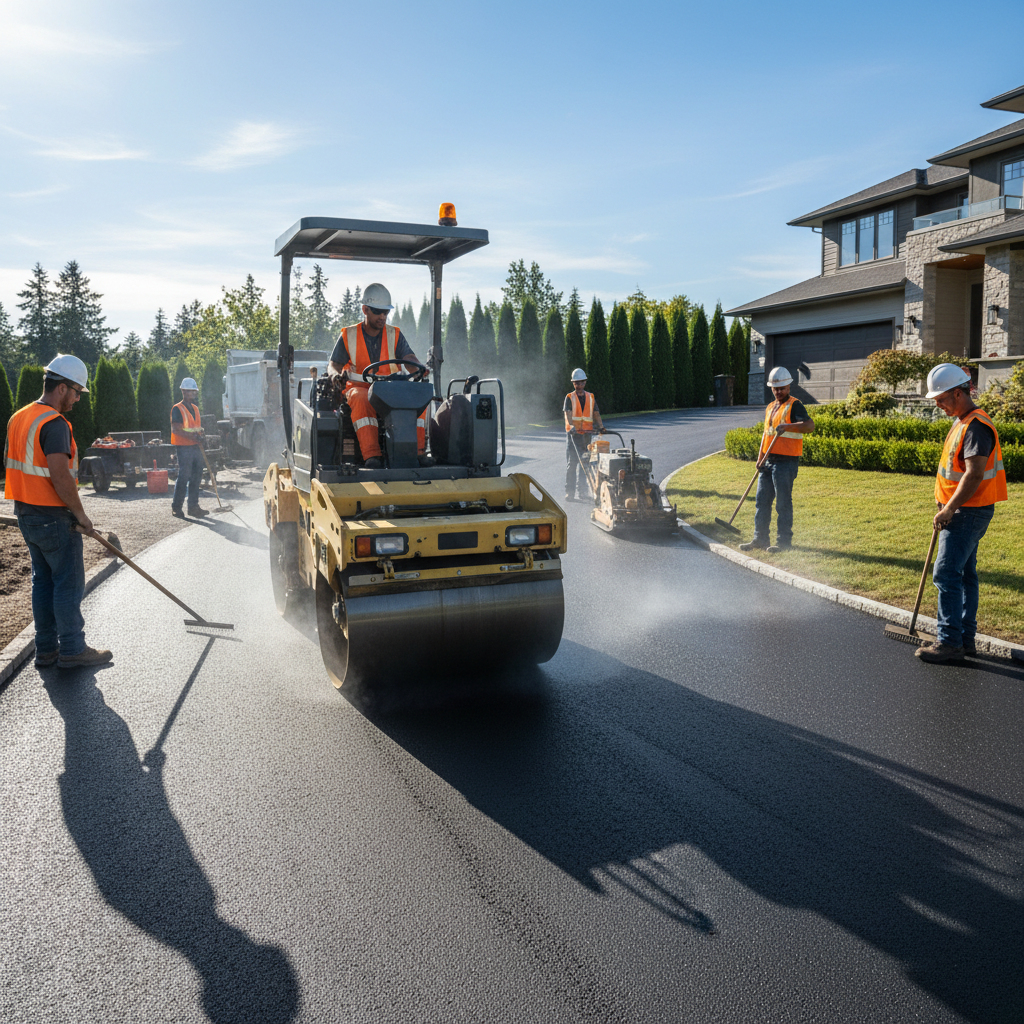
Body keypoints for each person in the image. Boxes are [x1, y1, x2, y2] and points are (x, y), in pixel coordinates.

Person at [4, 354, 112, 668]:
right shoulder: (54, 423)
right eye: (77, 391)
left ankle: (46, 648)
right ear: (62, 388)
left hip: (25, 512)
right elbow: (60, 475)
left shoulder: (19, 417)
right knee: (67, 582)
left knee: (43, 582)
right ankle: (73, 649)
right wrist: (80, 515)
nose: (78, 398)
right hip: (53, 515)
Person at [915, 363, 1007, 663]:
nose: (938, 405)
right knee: (966, 574)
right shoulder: (963, 420)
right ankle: (965, 639)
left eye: (941, 399)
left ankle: (950, 642)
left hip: (966, 513)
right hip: (963, 510)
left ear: (958, 392)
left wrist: (950, 508)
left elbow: (974, 474)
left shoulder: (976, 426)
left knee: (946, 574)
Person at [327, 283, 427, 468]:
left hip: (391, 389)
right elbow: (334, 364)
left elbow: (408, 357)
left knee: (419, 396)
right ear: (365, 309)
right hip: (361, 388)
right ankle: (372, 455)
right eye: (377, 311)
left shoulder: (394, 334)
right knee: (361, 398)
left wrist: (419, 368)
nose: (382, 316)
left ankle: (418, 453)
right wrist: (334, 375)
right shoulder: (349, 335)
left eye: (385, 312)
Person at [739, 366, 814, 553]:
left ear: (789, 386)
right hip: (768, 461)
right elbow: (766, 435)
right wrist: (760, 458)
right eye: (775, 388)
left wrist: (787, 426)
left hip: (786, 462)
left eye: (781, 388)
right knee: (761, 501)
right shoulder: (771, 407)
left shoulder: (795, 405)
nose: (778, 391)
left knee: (782, 503)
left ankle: (783, 542)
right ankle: (760, 539)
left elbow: (809, 426)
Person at [564, 368, 606, 501]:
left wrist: (601, 427)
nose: (579, 385)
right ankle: (569, 492)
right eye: (576, 383)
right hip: (574, 437)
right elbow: (567, 414)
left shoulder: (590, 397)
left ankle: (582, 491)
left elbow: (596, 413)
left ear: (585, 383)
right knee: (572, 464)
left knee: (585, 464)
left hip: (587, 437)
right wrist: (571, 427)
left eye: (581, 383)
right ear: (573, 384)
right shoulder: (569, 397)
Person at [170, 378, 207, 517]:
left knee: (197, 477)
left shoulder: (195, 409)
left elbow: (197, 428)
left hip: (196, 447)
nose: (192, 393)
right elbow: (176, 429)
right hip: (184, 448)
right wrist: (193, 437)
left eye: (194, 391)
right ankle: (176, 507)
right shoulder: (177, 409)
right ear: (183, 391)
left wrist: (202, 436)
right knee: (184, 476)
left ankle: (193, 507)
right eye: (190, 391)